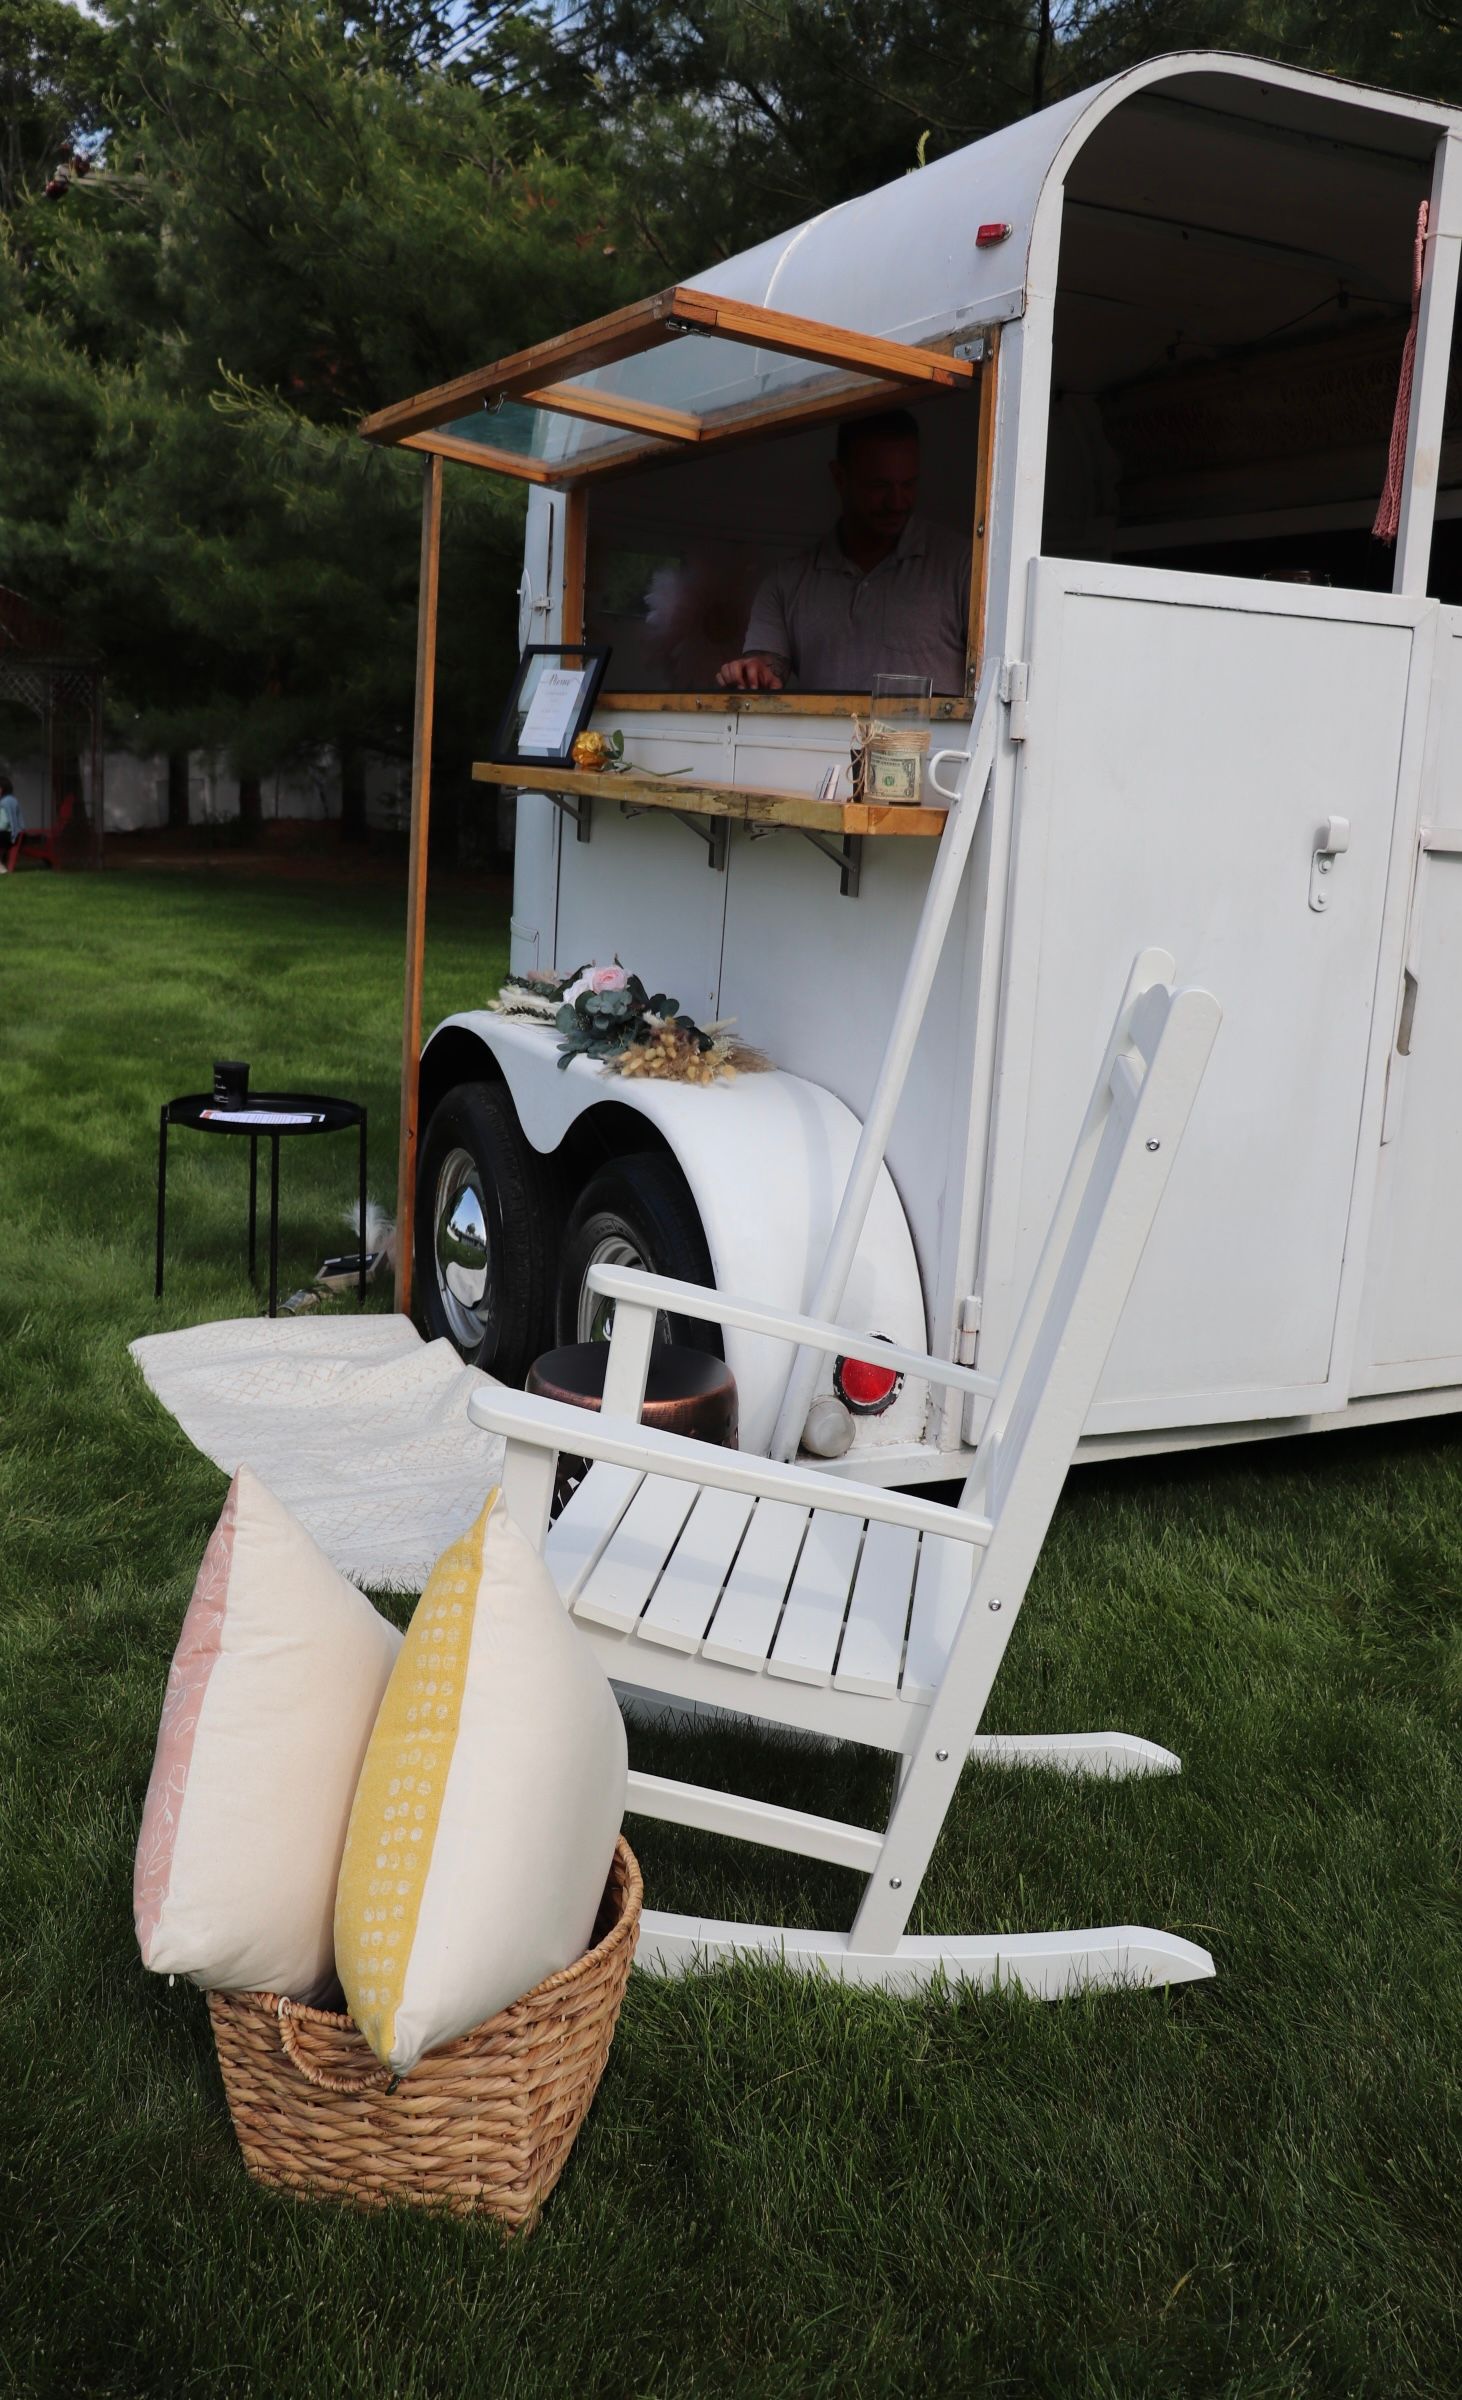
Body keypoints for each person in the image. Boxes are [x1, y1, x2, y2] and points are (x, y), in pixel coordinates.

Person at [717, 409, 970, 695]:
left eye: (909, 484)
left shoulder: (963, 566)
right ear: (839, 478)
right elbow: (765, 671)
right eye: (879, 486)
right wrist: (751, 673)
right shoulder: (786, 583)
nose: (897, 502)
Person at [0, 771, 21, 873]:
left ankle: (0, 866)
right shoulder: (12, 800)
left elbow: (3, 823)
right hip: (14, 833)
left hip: (7, 834)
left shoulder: (4, 802)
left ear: (2, 789)